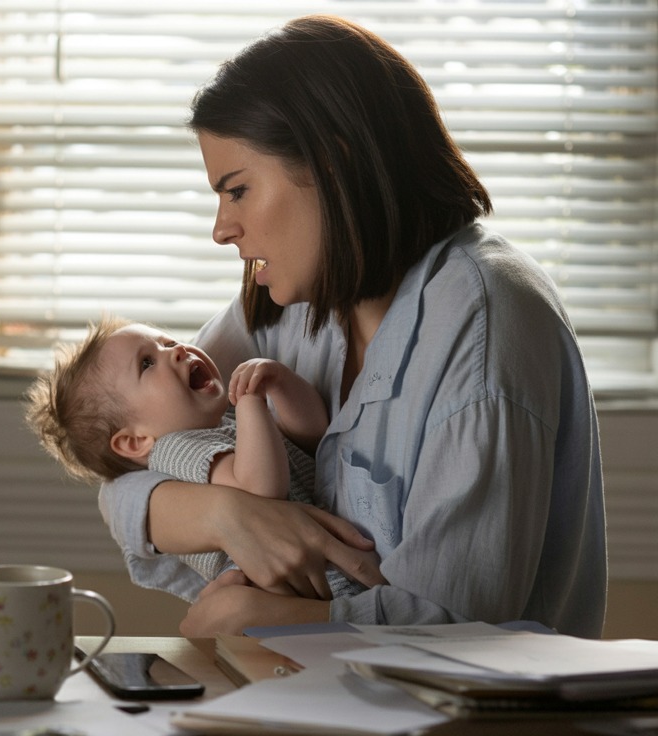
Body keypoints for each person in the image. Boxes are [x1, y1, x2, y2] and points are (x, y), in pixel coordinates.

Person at [100, 15, 607, 638]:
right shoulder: (285, 307)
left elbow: (464, 624)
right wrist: (229, 516)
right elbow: (122, 468)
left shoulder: (486, 322)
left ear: (332, 163)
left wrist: (265, 615)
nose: (221, 228)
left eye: (236, 191)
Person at [26, 317, 364, 602]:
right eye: (147, 362)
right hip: (302, 588)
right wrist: (251, 401)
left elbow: (312, 434)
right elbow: (259, 489)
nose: (175, 352)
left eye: (169, 341)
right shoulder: (176, 451)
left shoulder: (221, 426)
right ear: (135, 441)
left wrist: (280, 383)